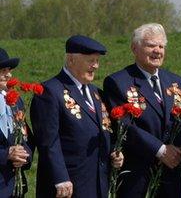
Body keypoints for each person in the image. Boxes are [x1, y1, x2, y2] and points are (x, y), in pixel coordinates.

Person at [103, 24, 181, 198]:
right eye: (151, 45)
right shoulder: (118, 82)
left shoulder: (176, 81)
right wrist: (160, 150)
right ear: (134, 48)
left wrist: (179, 150)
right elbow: (124, 125)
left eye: (161, 46)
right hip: (137, 176)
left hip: (171, 172)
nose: (157, 51)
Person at [31, 36, 124, 198]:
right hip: (68, 186)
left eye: (97, 60)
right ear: (71, 59)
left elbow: (106, 130)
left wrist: (114, 153)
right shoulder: (50, 91)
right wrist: (60, 178)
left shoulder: (97, 93)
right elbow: (48, 141)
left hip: (97, 183)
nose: (95, 65)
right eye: (90, 60)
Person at [1, 47, 33, 198]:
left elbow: (26, 137)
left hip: (15, 186)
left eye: (9, 70)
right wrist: (5, 155)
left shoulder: (15, 100)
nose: (9, 75)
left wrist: (24, 156)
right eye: (3, 70)